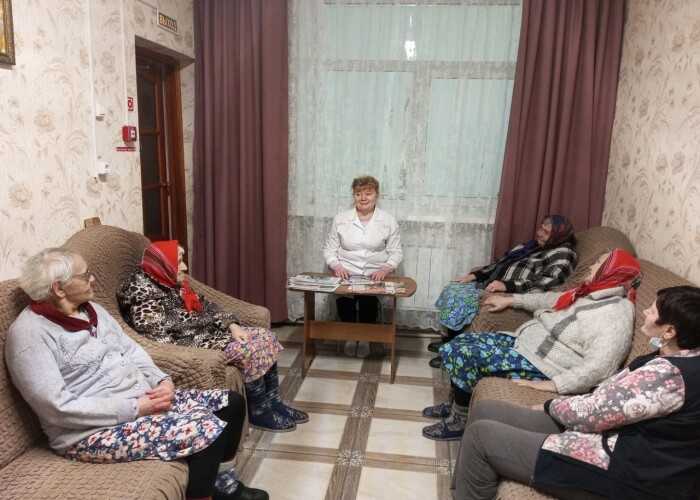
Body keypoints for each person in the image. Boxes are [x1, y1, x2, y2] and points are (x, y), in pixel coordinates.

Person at [5, 248, 268, 500]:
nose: (92, 279)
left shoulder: (92, 310)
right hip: (89, 431)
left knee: (231, 404)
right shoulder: (30, 335)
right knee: (206, 430)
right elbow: (57, 407)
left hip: (141, 400)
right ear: (59, 288)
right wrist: (136, 408)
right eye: (85, 275)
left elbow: (133, 351)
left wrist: (161, 380)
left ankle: (222, 486)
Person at [453, 286, 700, 500]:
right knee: (486, 409)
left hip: (628, 473)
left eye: (653, 311)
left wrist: (551, 405)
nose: (644, 311)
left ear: (669, 332)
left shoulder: (669, 375)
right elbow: (609, 401)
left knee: (480, 436)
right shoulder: (672, 355)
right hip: (608, 434)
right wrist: (562, 406)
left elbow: (594, 413)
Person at [422, 248, 641, 441]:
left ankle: (459, 420)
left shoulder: (615, 314)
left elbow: (601, 367)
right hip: (527, 345)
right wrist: (512, 300)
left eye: (598, 263)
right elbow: (551, 299)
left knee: (463, 353)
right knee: (461, 341)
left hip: (544, 365)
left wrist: (555, 385)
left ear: (610, 271)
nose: (591, 266)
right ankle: (457, 404)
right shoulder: (592, 293)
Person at [117, 241, 308, 433]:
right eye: (179, 261)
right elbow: (159, 342)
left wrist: (232, 325)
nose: (184, 267)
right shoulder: (144, 298)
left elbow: (207, 305)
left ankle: (274, 403)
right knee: (248, 349)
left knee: (266, 337)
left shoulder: (171, 282)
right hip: (191, 345)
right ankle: (259, 411)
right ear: (164, 265)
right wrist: (207, 343)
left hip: (209, 333)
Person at [430, 215, 577, 368]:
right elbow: (499, 264)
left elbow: (549, 283)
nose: (539, 233)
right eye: (541, 228)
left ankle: (451, 355)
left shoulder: (563, 254)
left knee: (462, 298)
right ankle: (449, 341)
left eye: (546, 232)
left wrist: (508, 286)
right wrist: (475, 275)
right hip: (491, 284)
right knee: (454, 289)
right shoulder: (531, 246)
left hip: (513, 292)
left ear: (558, 236)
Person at [322, 175, 403, 357]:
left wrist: (385, 268)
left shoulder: (388, 220)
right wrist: (336, 265)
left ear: (377, 195)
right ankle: (350, 336)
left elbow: (396, 252)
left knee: (368, 300)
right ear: (354, 196)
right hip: (346, 272)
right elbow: (329, 249)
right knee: (345, 299)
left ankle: (365, 337)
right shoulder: (341, 219)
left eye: (368, 193)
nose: (363, 198)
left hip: (374, 274)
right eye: (358, 194)